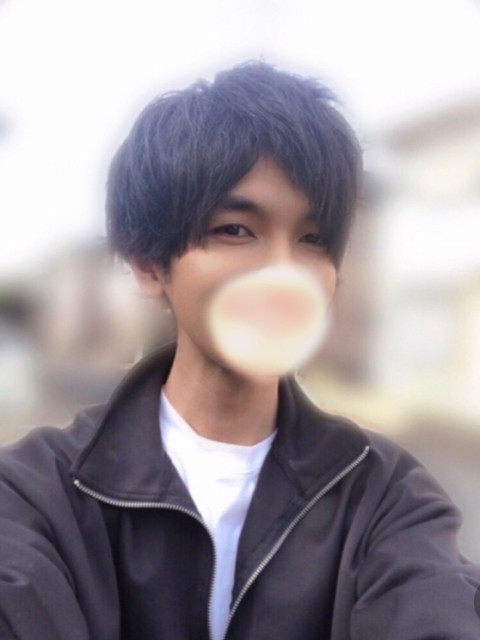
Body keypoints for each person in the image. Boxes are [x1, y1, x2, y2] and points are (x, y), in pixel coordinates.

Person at [0, 62, 479, 640]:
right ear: (150, 264)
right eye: (235, 230)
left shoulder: (386, 496)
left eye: (313, 239)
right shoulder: (36, 494)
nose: (284, 273)